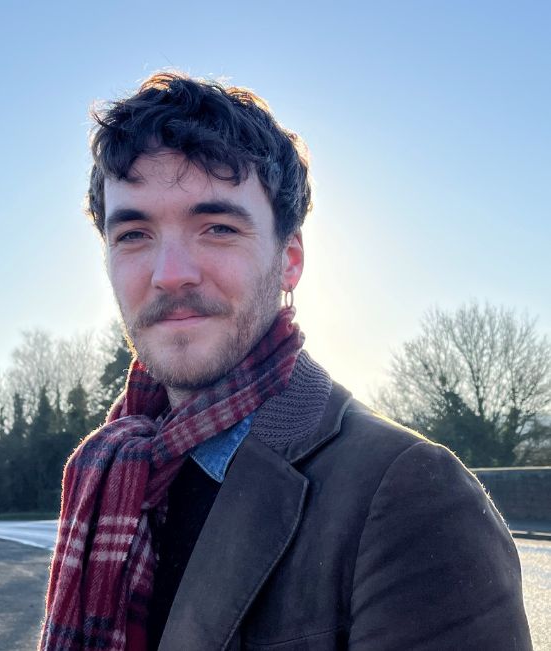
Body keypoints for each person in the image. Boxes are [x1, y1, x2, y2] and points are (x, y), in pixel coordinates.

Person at [40, 73, 532, 651]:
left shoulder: (412, 496)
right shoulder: (114, 471)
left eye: (217, 228)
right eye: (133, 235)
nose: (170, 273)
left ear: (290, 260)